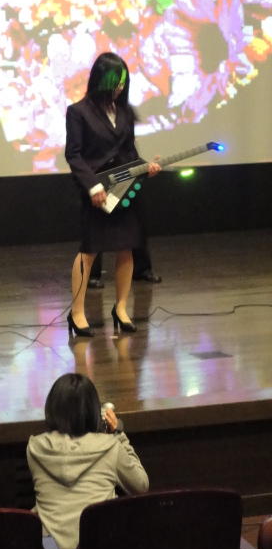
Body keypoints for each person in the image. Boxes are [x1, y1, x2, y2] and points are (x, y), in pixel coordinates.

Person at [65, 52, 160, 336]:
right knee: (89, 251)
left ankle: (120, 308)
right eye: (115, 82)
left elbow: (129, 152)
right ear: (100, 80)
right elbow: (74, 154)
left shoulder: (126, 112)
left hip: (125, 189)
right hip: (97, 191)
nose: (119, 88)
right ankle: (77, 312)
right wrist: (92, 186)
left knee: (126, 248)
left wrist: (145, 167)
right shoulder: (78, 112)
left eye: (123, 82)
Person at [27, 373, 149, 549]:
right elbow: (141, 485)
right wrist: (118, 433)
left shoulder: (35, 448)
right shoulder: (110, 447)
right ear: (93, 412)